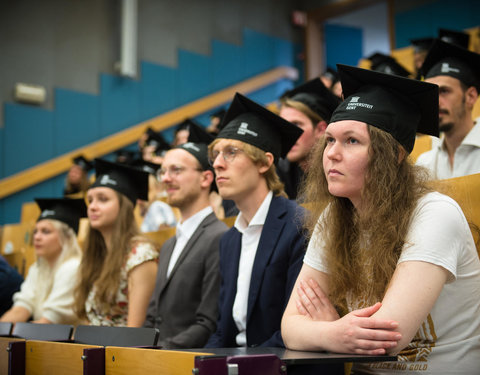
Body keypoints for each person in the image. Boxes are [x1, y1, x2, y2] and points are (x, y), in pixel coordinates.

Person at [281, 64, 480, 374]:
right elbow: (290, 327)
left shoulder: (434, 213)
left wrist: (324, 329)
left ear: (395, 154)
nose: (331, 153)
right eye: (330, 140)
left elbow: (388, 338)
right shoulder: (335, 215)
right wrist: (336, 332)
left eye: (351, 141)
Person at [205, 93, 307, 348]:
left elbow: (296, 328)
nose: (217, 164)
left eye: (230, 152)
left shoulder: (299, 225)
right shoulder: (229, 240)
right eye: (215, 154)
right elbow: (223, 331)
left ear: (264, 162)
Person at [144, 134, 228, 348]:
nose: (165, 179)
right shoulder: (168, 245)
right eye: (163, 171)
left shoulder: (219, 236)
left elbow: (208, 323)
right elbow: (152, 317)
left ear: (206, 178)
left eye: (176, 170)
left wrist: (160, 353)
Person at [74, 159, 159, 327]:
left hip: (119, 350)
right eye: (90, 200)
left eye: (103, 199)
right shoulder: (96, 254)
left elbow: (134, 332)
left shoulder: (141, 255)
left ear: (124, 207)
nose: (92, 206)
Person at [1, 198, 86, 325]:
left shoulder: (74, 267)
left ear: (67, 238)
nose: (37, 237)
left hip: (71, 342)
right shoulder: (37, 268)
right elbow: (21, 309)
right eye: (35, 232)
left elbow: (49, 321)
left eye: (45, 232)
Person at [416, 39, 480, 178]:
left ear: (471, 96)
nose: (436, 102)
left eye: (444, 91)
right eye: (432, 94)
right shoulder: (424, 164)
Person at [278, 78, 341, 199]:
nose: (287, 134)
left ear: (321, 129)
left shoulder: (337, 171)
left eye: (296, 125)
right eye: (283, 125)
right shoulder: (283, 171)